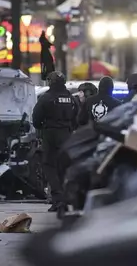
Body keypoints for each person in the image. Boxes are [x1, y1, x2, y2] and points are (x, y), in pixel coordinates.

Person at [32, 71, 77, 212]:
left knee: (49, 167)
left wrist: (44, 128)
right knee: (64, 167)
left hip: (50, 135)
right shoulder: (71, 98)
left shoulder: (46, 98)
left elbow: (36, 119)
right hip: (67, 135)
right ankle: (65, 199)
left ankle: (58, 199)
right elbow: (77, 117)